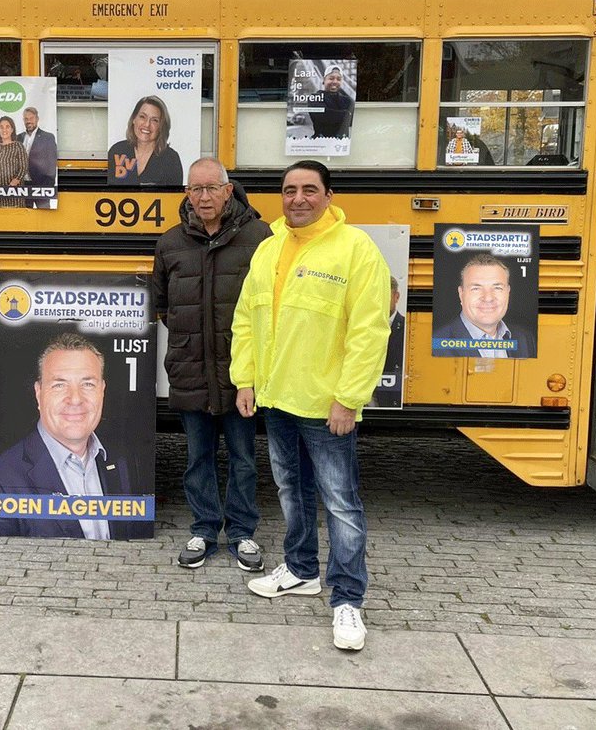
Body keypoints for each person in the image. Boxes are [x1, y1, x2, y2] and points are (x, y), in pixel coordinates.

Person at [231, 160, 391, 652]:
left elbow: (370, 331)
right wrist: (246, 380)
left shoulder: (356, 249)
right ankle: (301, 571)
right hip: (277, 398)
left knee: (341, 504)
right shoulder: (269, 248)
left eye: (309, 190)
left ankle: (348, 600)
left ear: (328, 195)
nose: (297, 198)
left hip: (327, 407)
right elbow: (246, 320)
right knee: (291, 493)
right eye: (289, 190)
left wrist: (349, 398)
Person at [152, 157, 271, 572]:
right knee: (197, 457)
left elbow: (269, 306)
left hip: (242, 373)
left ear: (227, 190)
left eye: (210, 188)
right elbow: (163, 305)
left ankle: (242, 533)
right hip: (190, 369)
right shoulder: (169, 243)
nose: (203, 197)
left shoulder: (260, 237)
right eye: (194, 189)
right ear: (187, 193)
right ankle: (203, 530)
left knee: (243, 457)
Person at [0, 333, 143, 540]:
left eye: (87, 384)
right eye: (59, 384)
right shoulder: (0, 478)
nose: (75, 399)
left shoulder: (123, 462)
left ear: (102, 390)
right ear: (39, 393)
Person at [433, 253, 533, 358]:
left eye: (497, 288)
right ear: (461, 293)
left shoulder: (525, 339)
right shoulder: (437, 344)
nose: (488, 298)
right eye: (476, 288)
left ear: (508, 291)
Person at [106, 95, 183, 186]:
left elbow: (175, 198)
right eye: (142, 117)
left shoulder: (170, 158)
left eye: (154, 120)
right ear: (134, 119)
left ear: (161, 127)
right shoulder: (117, 151)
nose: (147, 124)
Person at [374, 276, 406, 408]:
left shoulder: (406, 327)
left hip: (391, 399)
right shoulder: (360, 327)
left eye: (385, 295)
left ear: (396, 297)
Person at [0, 115, 28, 208]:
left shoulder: (18, 146)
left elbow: (23, 168)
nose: (4, 130)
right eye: (1, 127)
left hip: (15, 194)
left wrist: (10, 187)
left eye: (7, 127)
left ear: (12, 129)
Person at [19, 105, 57, 206]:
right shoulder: (19, 137)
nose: (29, 121)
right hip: (23, 186)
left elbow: (52, 162)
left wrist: (48, 186)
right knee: (26, 218)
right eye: (26, 119)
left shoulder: (47, 137)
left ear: (37, 119)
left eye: (31, 118)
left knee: (45, 218)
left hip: (41, 186)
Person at [309, 66, 354, 140]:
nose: (335, 82)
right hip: (320, 144)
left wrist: (343, 115)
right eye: (331, 78)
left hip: (342, 145)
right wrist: (347, 114)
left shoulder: (347, 100)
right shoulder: (314, 97)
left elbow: (352, 120)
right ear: (324, 80)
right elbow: (324, 115)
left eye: (338, 79)